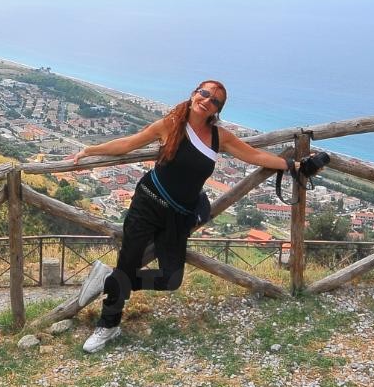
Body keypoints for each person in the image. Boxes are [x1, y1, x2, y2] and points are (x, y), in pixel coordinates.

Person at [67, 80, 319, 353]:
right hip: (147, 204)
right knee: (127, 264)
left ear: (217, 110)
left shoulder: (219, 137)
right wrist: (90, 151)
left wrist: (291, 165)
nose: (207, 101)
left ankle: (108, 280)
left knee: (171, 279)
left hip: (178, 215)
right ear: (193, 93)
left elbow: (253, 155)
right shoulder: (170, 124)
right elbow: (130, 143)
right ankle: (108, 325)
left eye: (214, 101)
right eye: (204, 93)